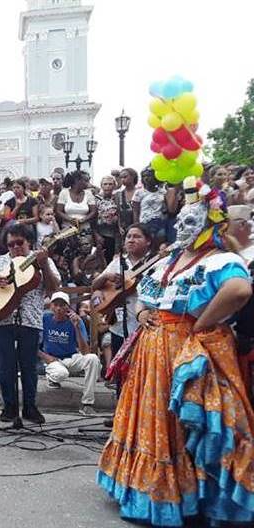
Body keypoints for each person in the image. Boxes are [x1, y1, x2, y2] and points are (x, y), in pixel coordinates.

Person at [97, 178, 254, 525]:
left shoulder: (219, 259)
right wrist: (140, 313)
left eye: (191, 217)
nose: (183, 223)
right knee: (157, 422)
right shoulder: (171, 257)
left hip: (185, 351)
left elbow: (240, 290)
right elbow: (141, 294)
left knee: (186, 423)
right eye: (180, 217)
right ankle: (159, 492)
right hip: (154, 351)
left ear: (211, 222)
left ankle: (190, 497)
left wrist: (200, 324)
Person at [0, 223, 60, 424]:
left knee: (29, 366)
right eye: (10, 244)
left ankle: (30, 407)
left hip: (31, 319)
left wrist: (44, 264)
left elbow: (54, 288)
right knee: (6, 366)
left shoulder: (42, 260)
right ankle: (9, 407)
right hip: (2, 319)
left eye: (19, 242)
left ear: (30, 242)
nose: (15, 247)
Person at [91, 224, 153, 366]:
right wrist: (106, 277)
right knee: (119, 371)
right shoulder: (118, 262)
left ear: (148, 241)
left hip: (142, 325)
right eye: (129, 237)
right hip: (118, 327)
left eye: (137, 236)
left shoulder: (154, 263)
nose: (131, 240)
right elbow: (94, 285)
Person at [38, 291, 98, 416]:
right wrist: (46, 357)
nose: (59, 308)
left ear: (68, 307)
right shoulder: (44, 319)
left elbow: (85, 352)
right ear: (51, 306)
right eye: (56, 305)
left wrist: (76, 327)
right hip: (53, 359)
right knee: (61, 374)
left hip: (72, 357)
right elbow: (31, 344)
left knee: (93, 359)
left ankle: (87, 404)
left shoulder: (76, 320)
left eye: (63, 305)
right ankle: (51, 378)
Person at [132, 168, 166, 246]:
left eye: (149, 176)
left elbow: (165, 207)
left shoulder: (162, 192)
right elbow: (135, 211)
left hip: (160, 222)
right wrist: (137, 226)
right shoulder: (139, 192)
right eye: (144, 176)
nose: (146, 178)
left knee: (159, 244)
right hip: (145, 223)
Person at [95, 175, 121, 264]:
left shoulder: (118, 198)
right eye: (105, 184)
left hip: (114, 234)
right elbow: (92, 219)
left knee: (113, 260)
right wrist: (96, 235)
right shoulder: (96, 199)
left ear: (114, 185)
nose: (108, 186)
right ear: (101, 185)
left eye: (110, 184)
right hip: (100, 233)